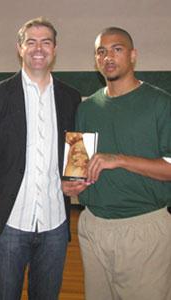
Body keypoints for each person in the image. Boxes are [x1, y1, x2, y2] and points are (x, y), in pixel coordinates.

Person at [0, 17, 81, 300]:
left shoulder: (71, 98)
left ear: (55, 49)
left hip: (55, 226)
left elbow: (76, 152)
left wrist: (74, 179)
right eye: (31, 42)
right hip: (9, 226)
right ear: (20, 48)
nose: (38, 48)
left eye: (46, 42)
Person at [62, 27, 171, 300]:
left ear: (133, 55)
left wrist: (120, 159)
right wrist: (71, 185)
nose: (108, 56)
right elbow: (77, 169)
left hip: (143, 227)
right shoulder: (86, 109)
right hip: (93, 226)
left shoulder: (160, 103)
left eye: (117, 49)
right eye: (101, 51)